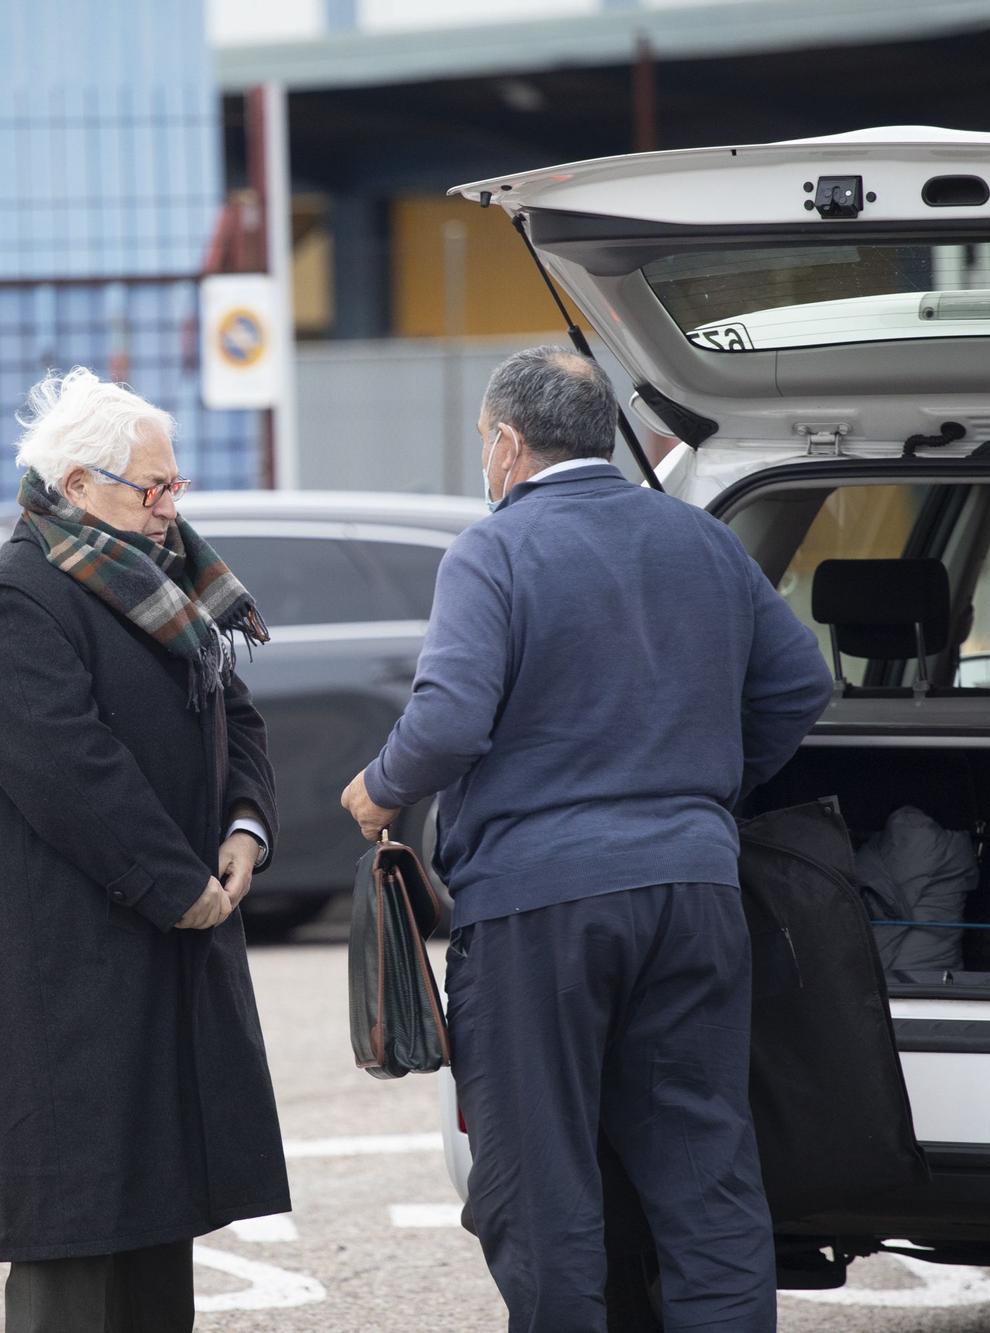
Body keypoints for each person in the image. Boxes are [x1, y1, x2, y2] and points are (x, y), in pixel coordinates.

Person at [340, 347, 832, 1332]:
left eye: (483, 442)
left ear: (509, 445)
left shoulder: (496, 549)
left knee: (540, 1190)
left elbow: (447, 721)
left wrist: (376, 789)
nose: (484, 461)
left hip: (537, 908)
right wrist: (701, 793)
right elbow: (796, 688)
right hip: (693, 891)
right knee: (704, 1182)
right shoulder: (697, 540)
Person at [0, 367, 291, 1332]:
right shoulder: (18, 601)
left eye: (176, 485)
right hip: (68, 984)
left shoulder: (161, 580)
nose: (172, 507)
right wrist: (177, 885)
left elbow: (237, 716)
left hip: (158, 952)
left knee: (155, 1229)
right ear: (80, 485)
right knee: (76, 1245)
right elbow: (72, 774)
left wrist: (243, 826)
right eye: (155, 488)